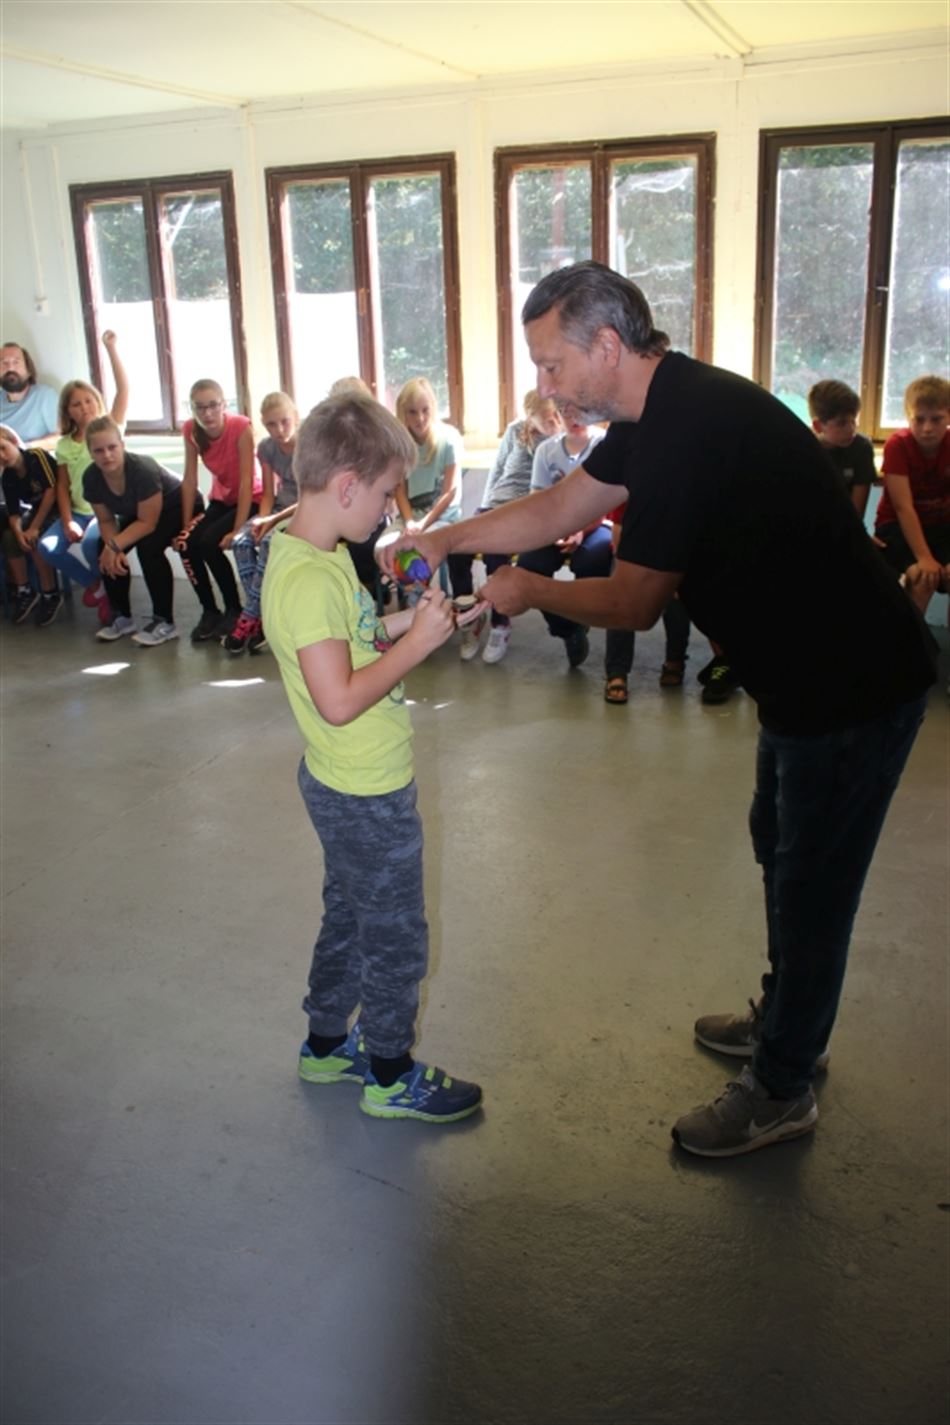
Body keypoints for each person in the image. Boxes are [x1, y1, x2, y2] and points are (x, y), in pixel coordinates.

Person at [381, 260, 935, 1158]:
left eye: (552, 364)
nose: (545, 386)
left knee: (812, 885)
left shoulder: (687, 430)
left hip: (853, 687)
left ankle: (784, 1086)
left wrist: (531, 589)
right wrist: (446, 537)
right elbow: (564, 502)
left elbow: (635, 602)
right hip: (798, 682)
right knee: (778, 843)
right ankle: (788, 1022)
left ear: (607, 345)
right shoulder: (653, 410)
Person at [260, 393, 482, 1124]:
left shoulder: (309, 553)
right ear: (348, 486)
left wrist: (420, 622)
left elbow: (350, 641)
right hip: (365, 789)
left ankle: (327, 1045)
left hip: (341, 781)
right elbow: (339, 699)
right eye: (388, 493)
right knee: (394, 938)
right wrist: (416, 648)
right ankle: (389, 1072)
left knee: (351, 919)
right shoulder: (309, 579)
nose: (391, 509)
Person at [452, 390, 562, 663]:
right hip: (495, 505)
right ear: (530, 418)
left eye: (555, 416)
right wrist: (483, 508)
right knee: (456, 551)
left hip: (523, 511)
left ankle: (500, 623)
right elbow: (497, 471)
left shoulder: (559, 442)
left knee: (495, 555)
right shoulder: (514, 432)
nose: (553, 423)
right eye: (546, 419)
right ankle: (470, 617)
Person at [82, 416, 199, 646]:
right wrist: (112, 548)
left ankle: (165, 622)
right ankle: (122, 617)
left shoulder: (142, 469)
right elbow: (106, 520)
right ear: (90, 453)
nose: (107, 455)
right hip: (141, 512)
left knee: (149, 548)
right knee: (103, 547)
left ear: (122, 445)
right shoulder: (91, 477)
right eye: (99, 450)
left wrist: (115, 545)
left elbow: (148, 523)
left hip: (178, 505)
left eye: (112, 447)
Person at [40, 331, 129, 620]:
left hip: (105, 512)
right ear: (68, 411)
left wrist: (111, 348)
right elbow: (62, 486)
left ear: (97, 402)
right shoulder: (65, 444)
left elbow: (123, 390)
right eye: (76, 404)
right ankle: (97, 585)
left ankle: (112, 601)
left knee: (92, 545)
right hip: (78, 512)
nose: (84, 408)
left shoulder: (109, 427)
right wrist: (67, 521)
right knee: (47, 547)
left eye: (89, 401)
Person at [518, 416, 612, 668]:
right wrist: (556, 531)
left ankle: (582, 617)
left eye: (579, 412)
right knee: (529, 566)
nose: (573, 419)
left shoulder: (605, 444)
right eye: (565, 413)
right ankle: (567, 629)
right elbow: (538, 500)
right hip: (555, 527)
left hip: (597, 524)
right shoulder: (546, 450)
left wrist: (580, 531)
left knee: (591, 561)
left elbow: (609, 499)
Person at [177, 379, 262, 642]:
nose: (208, 413)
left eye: (213, 405)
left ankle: (234, 609)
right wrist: (184, 526)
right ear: (192, 409)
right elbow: (189, 479)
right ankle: (210, 611)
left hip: (251, 499)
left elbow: (247, 481)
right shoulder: (190, 430)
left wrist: (237, 531)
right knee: (186, 544)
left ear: (224, 405)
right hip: (221, 500)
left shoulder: (240, 427)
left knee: (209, 543)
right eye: (200, 407)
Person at [224, 392, 300, 656]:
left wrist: (271, 523)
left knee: (270, 541)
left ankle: (249, 618)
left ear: (295, 417)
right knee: (241, 541)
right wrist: (262, 521)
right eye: (271, 424)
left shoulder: (309, 446)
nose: (279, 430)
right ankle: (261, 618)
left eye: (284, 421)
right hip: (278, 509)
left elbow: (311, 497)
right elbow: (268, 494)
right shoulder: (267, 448)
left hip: (304, 511)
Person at [874, 374, 950, 618]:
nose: (927, 428)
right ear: (909, 417)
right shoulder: (898, 445)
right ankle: (911, 641)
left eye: (936, 419)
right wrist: (924, 557)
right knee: (922, 578)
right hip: (897, 527)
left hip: (940, 526)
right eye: (919, 419)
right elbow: (903, 507)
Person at [0, 427, 62, 626]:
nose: (2, 457)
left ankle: (50, 593)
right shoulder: (8, 476)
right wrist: (19, 533)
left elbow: (51, 492)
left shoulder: (36, 456)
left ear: (14, 442)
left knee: (35, 538)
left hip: (58, 507)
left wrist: (33, 528)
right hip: (36, 511)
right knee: (10, 537)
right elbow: (14, 512)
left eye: (3, 448)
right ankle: (25, 590)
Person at [808, 378, 876, 521]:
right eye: (841, 423)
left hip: (846, 524)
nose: (851, 429)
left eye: (853, 420)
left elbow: (856, 515)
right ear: (818, 426)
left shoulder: (862, 448)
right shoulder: (803, 449)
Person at [0, 344, 59, 444]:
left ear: (28, 370)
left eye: (16, 362)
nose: (10, 368)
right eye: (4, 363)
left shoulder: (44, 396)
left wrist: (27, 447)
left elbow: (61, 436)